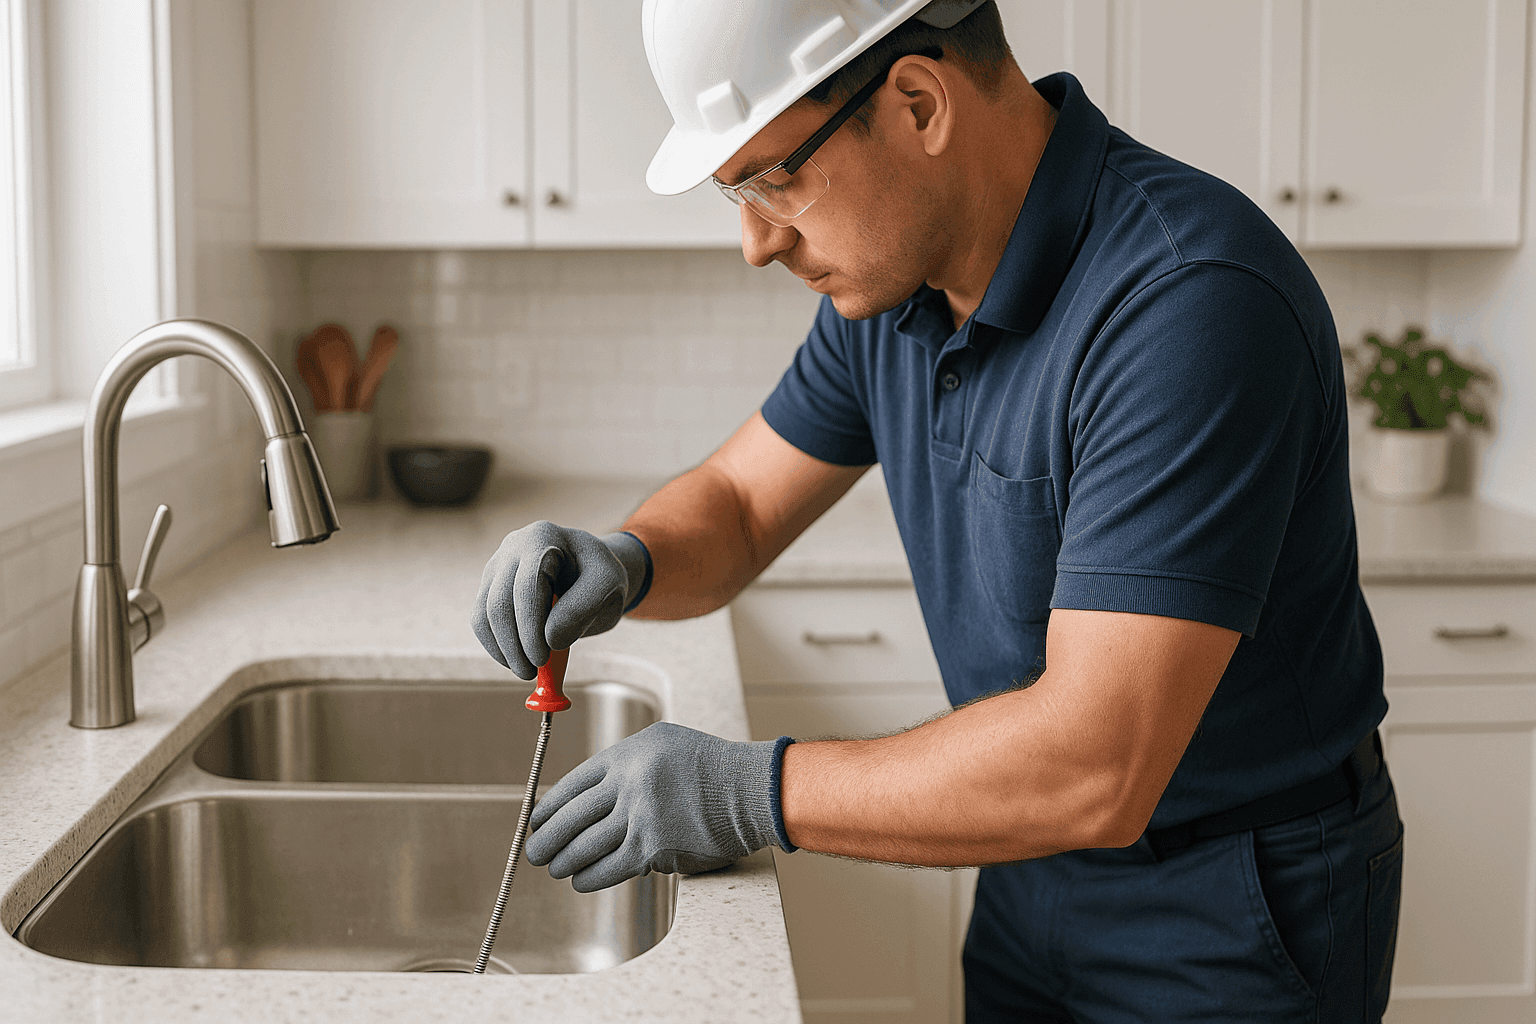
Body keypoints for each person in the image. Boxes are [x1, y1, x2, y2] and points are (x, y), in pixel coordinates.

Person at [471, 1, 1405, 1020]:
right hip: (1026, 859)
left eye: (774, 178)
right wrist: (629, 555)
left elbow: (1097, 761)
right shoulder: (894, 286)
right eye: (732, 190)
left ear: (918, 102)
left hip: (1227, 903)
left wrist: (745, 791)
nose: (755, 240)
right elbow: (740, 503)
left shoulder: (1188, 301)